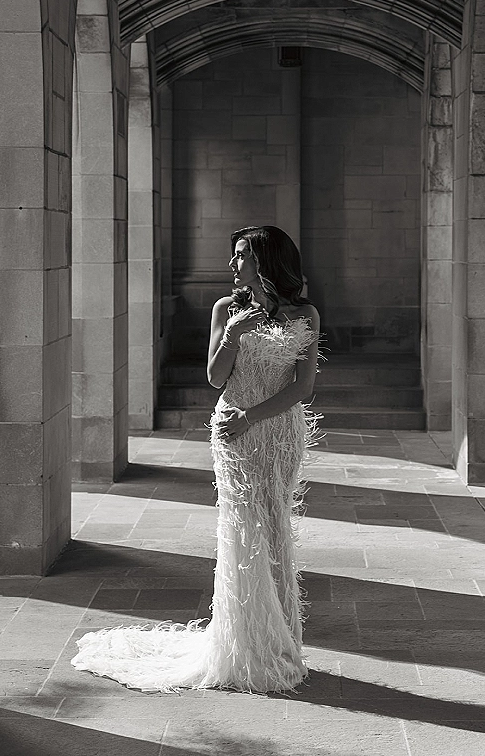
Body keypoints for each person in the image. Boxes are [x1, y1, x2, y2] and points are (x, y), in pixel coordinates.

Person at [71, 225, 320, 693]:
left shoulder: (304, 313)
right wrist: (232, 336)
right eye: (234, 255)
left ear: (267, 261)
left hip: (278, 431)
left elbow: (303, 388)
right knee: (242, 528)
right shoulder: (225, 309)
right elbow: (213, 378)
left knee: (274, 524)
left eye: (242, 255)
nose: (233, 264)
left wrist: (254, 416)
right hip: (232, 431)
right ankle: (246, 647)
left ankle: (282, 640)